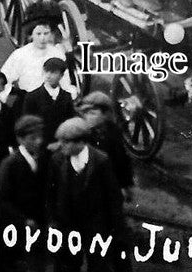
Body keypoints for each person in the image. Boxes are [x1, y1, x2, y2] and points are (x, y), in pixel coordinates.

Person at [45, 116, 128, 272]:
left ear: (81, 142)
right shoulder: (57, 160)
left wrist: (115, 228)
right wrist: (53, 220)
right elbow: (51, 193)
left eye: (66, 142)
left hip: (95, 224)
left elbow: (113, 197)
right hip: (68, 223)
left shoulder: (101, 161)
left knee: (98, 264)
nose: (61, 145)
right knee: (67, 264)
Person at [0, 115, 47, 267]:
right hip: (14, 225)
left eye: (40, 137)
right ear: (20, 139)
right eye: (32, 138)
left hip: (37, 223)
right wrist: (23, 219)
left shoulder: (43, 159)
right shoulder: (10, 164)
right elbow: (2, 199)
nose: (38, 141)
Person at [78, 90, 134, 201]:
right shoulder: (82, 134)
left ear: (105, 115)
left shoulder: (114, 132)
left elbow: (121, 161)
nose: (88, 117)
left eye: (93, 114)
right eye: (86, 113)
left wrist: (125, 185)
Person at [23, 57, 77, 148]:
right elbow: (27, 124)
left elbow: (70, 122)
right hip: (39, 147)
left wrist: (61, 143)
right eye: (46, 71)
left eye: (53, 72)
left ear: (61, 75)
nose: (48, 75)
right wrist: (43, 144)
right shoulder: (32, 96)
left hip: (62, 146)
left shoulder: (66, 96)